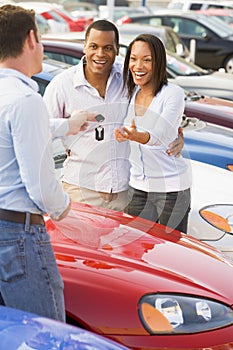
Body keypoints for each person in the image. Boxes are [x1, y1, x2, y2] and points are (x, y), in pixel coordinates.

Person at [0, 4, 96, 321]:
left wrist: (66, 125)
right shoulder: (25, 99)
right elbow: (41, 187)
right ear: (30, 38)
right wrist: (71, 218)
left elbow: (12, 136)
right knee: (47, 332)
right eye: (40, 37)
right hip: (18, 235)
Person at [43, 20, 184, 212]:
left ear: (117, 50)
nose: (100, 54)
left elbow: (159, 107)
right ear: (84, 46)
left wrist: (177, 135)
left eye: (108, 47)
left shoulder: (128, 79)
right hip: (80, 188)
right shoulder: (61, 86)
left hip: (126, 192)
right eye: (94, 46)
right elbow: (42, 133)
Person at [114, 34, 191, 233]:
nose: (138, 66)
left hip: (171, 191)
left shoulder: (172, 93)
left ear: (159, 62)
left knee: (171, 255)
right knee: (137, 252)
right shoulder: (131, 92)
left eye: (147, 60)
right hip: (137, 188)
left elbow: (161, 136)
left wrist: (133, 135)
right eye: (133, 58)